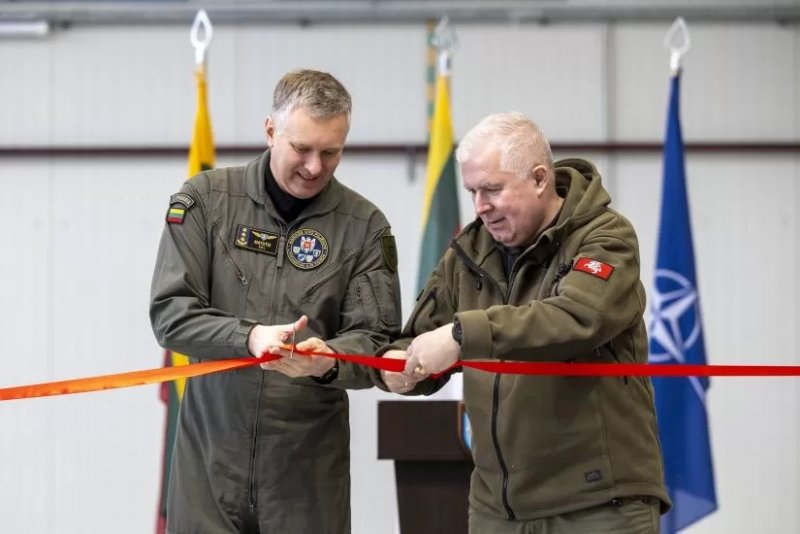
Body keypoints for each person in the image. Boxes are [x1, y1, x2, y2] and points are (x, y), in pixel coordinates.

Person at [379, 112, 671, 533]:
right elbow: (419, 341)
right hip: (498, 510)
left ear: (539, 179)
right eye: (473, 191)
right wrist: (391, 367)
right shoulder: (468, 252)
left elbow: (576, 318)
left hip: (599, 506)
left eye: (492, 189)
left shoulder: (607, 238)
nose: (480, 206)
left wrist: (463, 335)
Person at [150, 69, 401, 534]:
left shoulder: (366, 227)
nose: (314, 166)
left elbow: (378, 340)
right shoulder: (204, 203)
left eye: (331, 153)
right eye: (301, 149)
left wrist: (327, 361)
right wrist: (248, 338)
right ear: (270, 130)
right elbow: (171, 313)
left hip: (306, 476)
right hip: (209, 465)